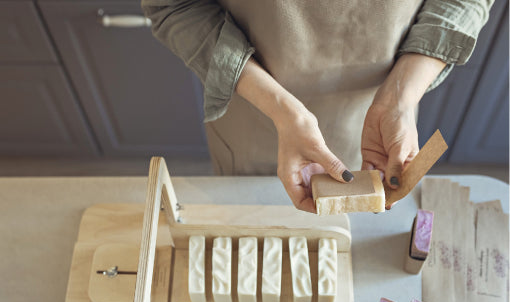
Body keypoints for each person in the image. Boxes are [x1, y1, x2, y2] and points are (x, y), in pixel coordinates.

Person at [141, 0, 493, 212]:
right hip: (255, 116)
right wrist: (282, 109)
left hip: (382, 121)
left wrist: (400, 96)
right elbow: (175, 6)